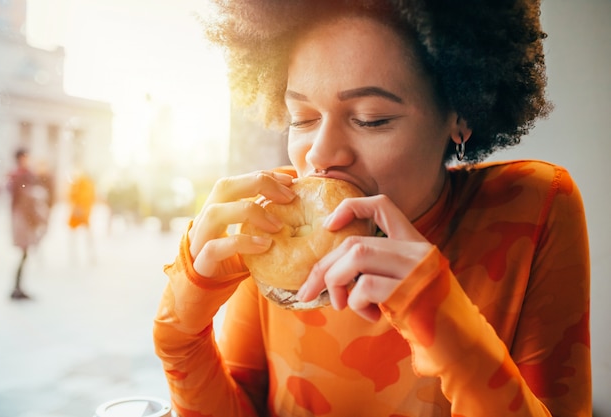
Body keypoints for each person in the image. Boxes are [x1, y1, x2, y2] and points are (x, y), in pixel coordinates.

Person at [153, 1, 591, 416]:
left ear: (460, 115)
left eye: (370, 118)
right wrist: (179, 336)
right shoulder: (271, 228)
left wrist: (450, 332)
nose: (320, 154)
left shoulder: (533, 207)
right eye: (302, 119)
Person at [7, 148, 52, 300]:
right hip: (23, 219)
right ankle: (17, 288)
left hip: (20, 218)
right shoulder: (22, 176)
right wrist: (39, 219)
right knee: (24, 253)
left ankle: (18, 287)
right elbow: (27, 201)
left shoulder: (17, 175)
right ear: (22, 158)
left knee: (24, 253)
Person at [67, 168, 97, 263]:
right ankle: (88, 256)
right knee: (85, 236)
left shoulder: (81, 183)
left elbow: (85, 197)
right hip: (81, 213)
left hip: (80, 213)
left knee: (80, 236)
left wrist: (79, 207)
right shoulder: (82, 183)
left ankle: (79, 256)